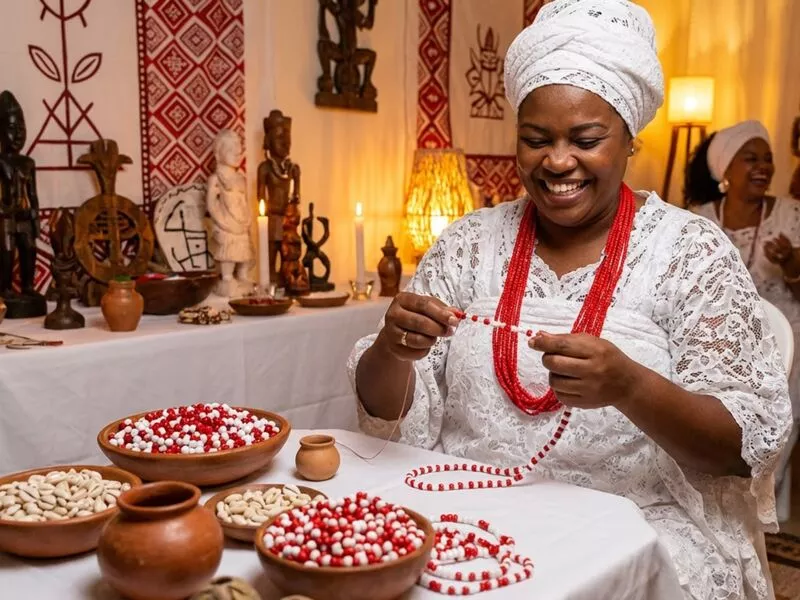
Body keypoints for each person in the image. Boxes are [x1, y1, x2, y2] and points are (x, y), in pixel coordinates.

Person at [348, 1, 791, 599]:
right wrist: (392, 350)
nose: (558, 161)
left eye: (586, 139)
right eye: (536, 140)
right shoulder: (469, 242)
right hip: (468, 513)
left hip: (634, 525)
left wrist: (632, 387)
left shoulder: (688, 251)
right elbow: (393, 413)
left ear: (630, 140)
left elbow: (744, 447)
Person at [686, 121, 800, 417]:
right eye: (751, 158)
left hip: (786, 349)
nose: (764, 166)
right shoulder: (699, 220)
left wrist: (790, 264)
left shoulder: (792, 214)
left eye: (768, 159)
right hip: (718, 351)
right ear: (726, 169)